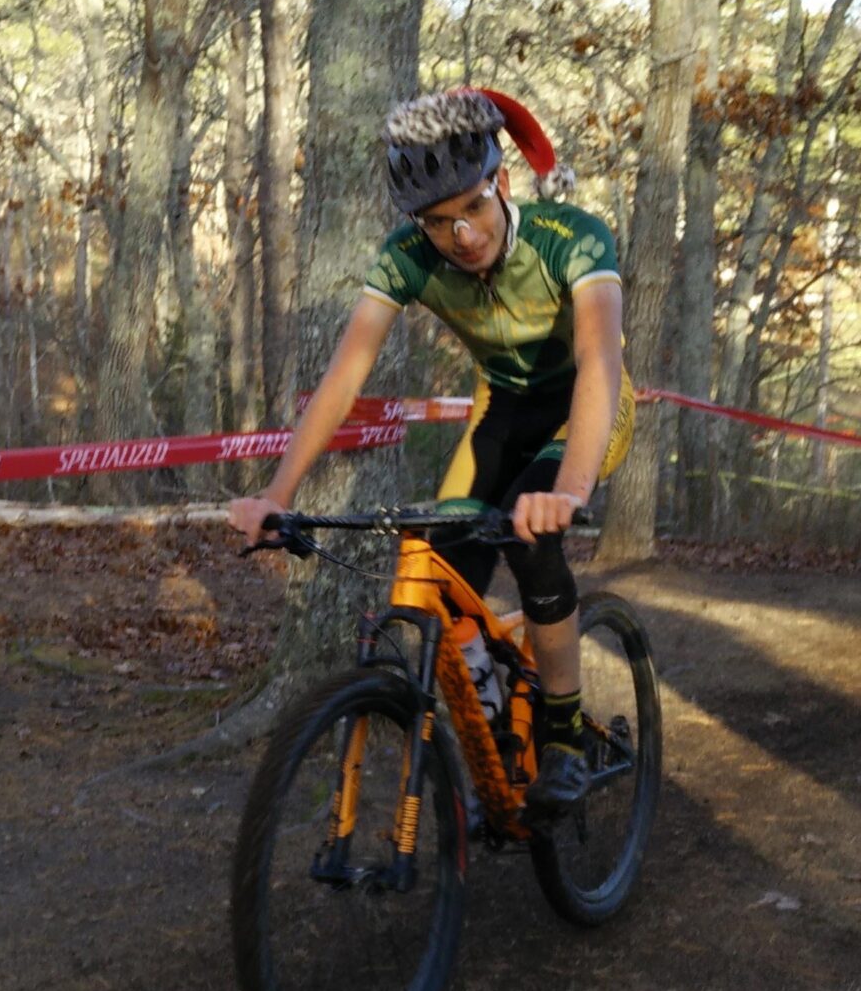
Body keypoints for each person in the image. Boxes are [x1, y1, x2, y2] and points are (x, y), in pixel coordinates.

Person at [228, 86, 634, 815]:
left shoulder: (572, 238)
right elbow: (342, 378)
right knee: (442, 573)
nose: (462, 236)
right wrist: (277, 494)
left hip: (584, 410)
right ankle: (493, 742)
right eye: (438, 222)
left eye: (474, 208)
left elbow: (601, 365)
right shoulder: (408, 256)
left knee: (531, 539)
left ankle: (566, 739)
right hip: (503, 412)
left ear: (502, 185)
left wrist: (568, 492)